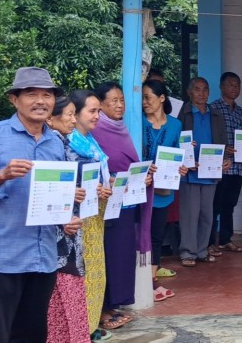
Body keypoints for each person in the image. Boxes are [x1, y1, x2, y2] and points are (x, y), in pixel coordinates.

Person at [0, 67, 79, 342]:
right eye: (31, 94)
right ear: (14, 99)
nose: (40, 101)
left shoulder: (56, 142)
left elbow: (54, 193)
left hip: (43, 257)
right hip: (2, 257)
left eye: (47, 95)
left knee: (32, 332)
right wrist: (0, 175)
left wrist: (66, 216)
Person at [91, 82, 153, 329]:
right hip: (106, 205)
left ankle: (114, 305)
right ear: (101, 104)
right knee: (108, 256)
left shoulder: (121, 129)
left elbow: (127, 165)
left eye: (122, 100)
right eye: (113, 100)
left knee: (122, 256)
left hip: (126, 204)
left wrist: (145, 176)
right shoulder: (95, 131)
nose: (119, 105)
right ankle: (103, 309)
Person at [64, 90, 114, 340]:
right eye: (92, 111)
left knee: (96, 272)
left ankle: (91, 325)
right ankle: (81, 328)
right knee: (82, 273)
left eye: (98, 111)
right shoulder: (67, 141)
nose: (97, 115)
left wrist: (108, 182)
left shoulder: (90, 140)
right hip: (77, 220)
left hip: (95, 214)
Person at [45, 96, 90, 343]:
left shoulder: (65, 143)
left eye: (75, 114)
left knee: (67, 290)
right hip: (57, 233)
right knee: (61, 291)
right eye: (69, 114)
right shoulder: (50, 145)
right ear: (51, 118)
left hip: (69, 228)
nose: (74, 119)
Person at [142, 80, 188, 302]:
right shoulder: (137, 121)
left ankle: (151, 283)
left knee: (156, 236)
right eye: (142, 98)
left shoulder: (175, 125)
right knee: (139, 235)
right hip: (140, 188)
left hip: (162, 189)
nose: (144, 102)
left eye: (147, 97)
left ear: (161, 98)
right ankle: (140, 282)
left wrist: (181, 167)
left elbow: (178, 153)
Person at [177, 77, 229, 265]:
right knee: (190, 215)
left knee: (207, 214)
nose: (201, 93)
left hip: (210, 171)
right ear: (189, 92)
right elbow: (176, 142)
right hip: (189, 172)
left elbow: (222, 141)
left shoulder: (215, 115)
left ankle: (201, 250)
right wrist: (185, 160)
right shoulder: (182, 114)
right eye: (197, 90)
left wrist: (225, 160)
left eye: (205, 90)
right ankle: (187, 252)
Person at [209, 72, 242, 254]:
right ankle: (210, 242)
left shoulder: (241, 112)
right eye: (231, 84)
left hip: (237, 167)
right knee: (214, 205)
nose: (235, 88)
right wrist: (224, 148)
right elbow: (209, 136)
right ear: (221, 86)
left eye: (237, 85)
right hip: (219, 165)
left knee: (229, 205)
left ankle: (225, 239)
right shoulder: (213, 109)